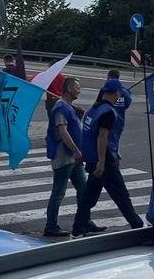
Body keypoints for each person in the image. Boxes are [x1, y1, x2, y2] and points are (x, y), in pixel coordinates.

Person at [71, 79, 145, 237]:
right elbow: (102, 137)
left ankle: (78, 227)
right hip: (103, 162)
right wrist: (102, 162)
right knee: (121, 195)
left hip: (92, 158)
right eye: (120, 93)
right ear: (117, 93)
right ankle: (137, 225)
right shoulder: (108, 112)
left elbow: (91, 135)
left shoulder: (94, 109)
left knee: (89, 197)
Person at [44, 77, 107, 238]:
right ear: (69, 89)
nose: (80, 90)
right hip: (65, 156)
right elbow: (63, 132)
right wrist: (76, 150)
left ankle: (85, 220)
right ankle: (51, 225)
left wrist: (78, 115)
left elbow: (72, 128)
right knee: (59, 191)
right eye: (77, 87)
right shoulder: (60, 108)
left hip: (74, 156)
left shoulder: (68, 107)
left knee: (83, 189)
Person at [105, 69, 131, 156]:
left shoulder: (107, 89)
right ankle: (115, 151)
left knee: (106, 137)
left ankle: (111, 154)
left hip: (108, 117)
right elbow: (127, 103)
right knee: (116, 137)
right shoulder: (125, 92)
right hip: (120, 118)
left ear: (108, 77)